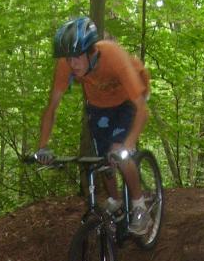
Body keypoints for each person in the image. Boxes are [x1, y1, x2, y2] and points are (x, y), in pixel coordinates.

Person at [36, 16, 151, 236]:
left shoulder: (114, 57)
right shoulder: (66, 66)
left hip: (129, 99)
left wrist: (127, 145)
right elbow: (51, 107)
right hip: (99, 105)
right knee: (103, 160)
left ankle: (139, 207)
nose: (73, 64)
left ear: (91, 52)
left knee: (117, 151)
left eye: (78, 57)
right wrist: (43, 146)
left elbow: (142, 110)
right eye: (69, 59)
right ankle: (115, 201)